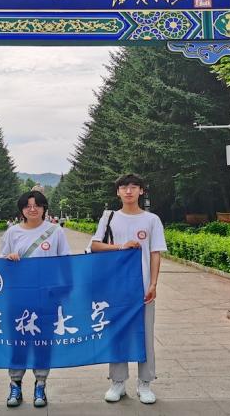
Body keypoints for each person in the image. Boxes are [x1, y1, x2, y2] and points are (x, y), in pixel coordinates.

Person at [90, 173, 166, 405]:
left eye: (134, 187)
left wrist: (153, 283)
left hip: (143, 289)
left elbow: (155, 253)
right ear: (118, 192)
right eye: (124, 187)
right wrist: (121, 246)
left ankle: (145, 383)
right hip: (115, 287)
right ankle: (118, 382)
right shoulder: (110, 218)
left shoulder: (152, 220)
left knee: (145, 335)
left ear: (141, 191)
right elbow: (95, 246)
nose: (129, 191)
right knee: (117, 333)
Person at [0, 190, 71, 409]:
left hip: (47, 297)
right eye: (27, 205)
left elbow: (65, 262)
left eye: (37, 205)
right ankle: (15, 384)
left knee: (43, 341)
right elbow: (1, 264)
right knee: (18, 341)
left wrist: (65, 287)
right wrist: (9, 258)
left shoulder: (55, 231)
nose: (32, 209)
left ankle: (40, 384)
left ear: (43, 208)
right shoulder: (12, 232)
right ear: (21, 209)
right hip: (19, 295)